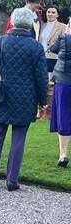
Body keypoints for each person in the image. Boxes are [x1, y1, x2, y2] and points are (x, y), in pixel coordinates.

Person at [0, 7, 48, 191]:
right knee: (18, 138)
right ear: (29, 24)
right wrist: (43, 100)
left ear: (13, 21)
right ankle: (12, 180)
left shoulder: (0, 42)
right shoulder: (35, 47)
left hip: (2, 94)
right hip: (26, 98)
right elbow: (41, 77)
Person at [48, 21, 71, 167]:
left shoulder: (63, 38)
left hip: (63, 81)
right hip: (64, 80)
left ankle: (63, 154)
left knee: (63, 115)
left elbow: (53, 49)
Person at [40, 5, 63, 74]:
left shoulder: (63, 27)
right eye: (48, 12)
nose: (50, 14)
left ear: (57, 15)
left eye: (53, 12)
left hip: (54, 59)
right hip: (41, 57)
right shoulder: (42, 26)